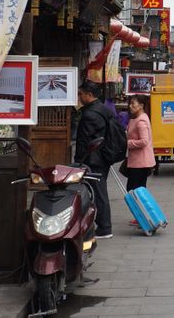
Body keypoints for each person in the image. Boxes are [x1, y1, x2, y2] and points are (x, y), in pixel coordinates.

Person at [75, 81, 114, 238]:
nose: (79, 97)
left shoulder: (90, 115)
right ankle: (101, 225)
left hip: (93, 160)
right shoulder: (102, 109)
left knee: (98, 193)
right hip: (100, 158)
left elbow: (85, 141)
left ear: (89, 95)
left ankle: (104, 228)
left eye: (81, 94)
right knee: (98, 191)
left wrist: (79, 161)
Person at [125, 94, 155, 192]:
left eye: (133, 103)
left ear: (141, 105)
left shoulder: (141, 120)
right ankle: (139, 207)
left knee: (133, 190)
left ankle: (138, 207)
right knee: (138, 190)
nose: (130, 106)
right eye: (130, 103)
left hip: (140, 162)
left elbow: (144, 141)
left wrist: (128, 143)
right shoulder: (137, 118)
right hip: (138, 161)